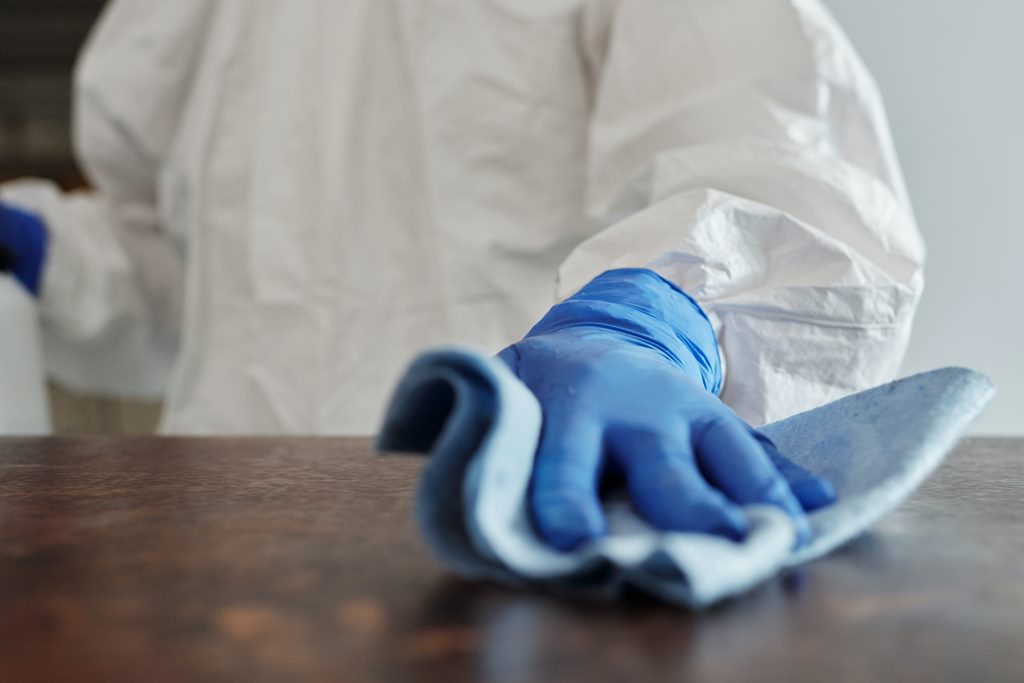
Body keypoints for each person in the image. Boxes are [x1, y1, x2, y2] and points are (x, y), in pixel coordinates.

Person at [0, 0, 923, 549]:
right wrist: (52, 251)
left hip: (528, 510)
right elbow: (184, 288)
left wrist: (659, 315)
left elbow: (782, 162)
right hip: (226, 542)